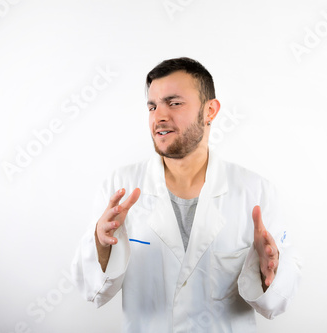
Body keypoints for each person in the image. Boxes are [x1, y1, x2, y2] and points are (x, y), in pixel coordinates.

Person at [71, 57, 301, 332]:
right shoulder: (120, 187)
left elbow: (277, 301)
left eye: (174, 103)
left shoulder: (255, 192)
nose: (159, 116)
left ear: (210, 111)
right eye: (152, 106)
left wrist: (268, 275)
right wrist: (100, 243)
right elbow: (92, 291)